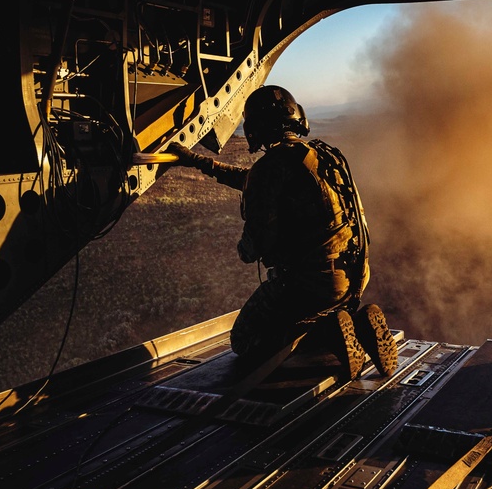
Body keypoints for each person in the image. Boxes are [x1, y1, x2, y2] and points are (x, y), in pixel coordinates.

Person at [167, 85, 398, 381]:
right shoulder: (324, 156)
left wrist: (243, 247)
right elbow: (257, 180)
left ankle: (327, 331)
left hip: (315, 285)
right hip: (356, 276)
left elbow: (254, 248)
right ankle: (356, 321)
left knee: (245, 339)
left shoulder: (271, 166)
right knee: (314, 303)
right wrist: (200, 162)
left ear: (257, 128)